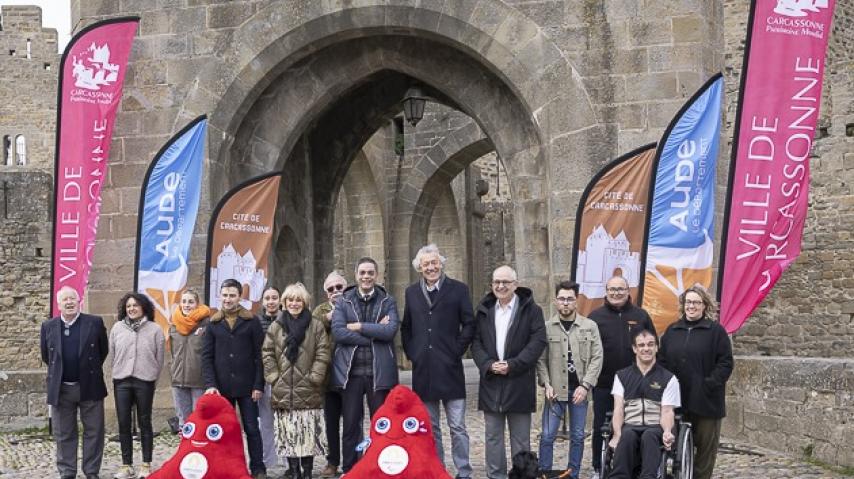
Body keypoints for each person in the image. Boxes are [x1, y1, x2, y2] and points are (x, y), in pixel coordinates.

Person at [402, 244, 476, 479]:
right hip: (424, 370)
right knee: (431, 427)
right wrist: (414, 352)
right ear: (419, 268)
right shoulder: (411, 292)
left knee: (457, 427)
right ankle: (438, 469)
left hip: (451, 367)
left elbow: (469, 324)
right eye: (426, 264)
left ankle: (463, 471)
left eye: (434, 263)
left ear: (441, 264)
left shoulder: (458, 290)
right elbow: (407, 327)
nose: (431, 267)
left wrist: (457, 350)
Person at [470, 265, 547, 479]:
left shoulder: (532, 310)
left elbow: (537, 342)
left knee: (521, 441)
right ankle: (495, 476)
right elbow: (476, 343)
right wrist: (487, 364)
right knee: (493, 437)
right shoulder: (485, 310)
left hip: (519, 382)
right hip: (491, 382)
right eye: (497, 282)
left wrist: (513, 365)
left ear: (515, 284)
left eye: (505, 282)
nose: (501, 286)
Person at [330, 257, 400, 473]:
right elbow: (339, 332)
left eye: (370, 272)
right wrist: (373, 333)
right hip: (350, 374)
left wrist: (359, 326)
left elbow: (390, 332)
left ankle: (380, 466)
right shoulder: (344, 300)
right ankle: (351, 467)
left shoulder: (387, 300)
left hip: (378, 373)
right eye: (362, 272)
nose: (366, 276)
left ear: (376, 275)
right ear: (356, 275)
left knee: (381, 424)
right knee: (351, 424)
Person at [659, 286, 734, 479]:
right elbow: (662, 360)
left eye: (696, 302)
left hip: (706, 401)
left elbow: (725, 363)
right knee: (674, 450)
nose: (691, 306)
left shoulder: (716, 331)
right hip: (678, 401)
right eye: (688, 302)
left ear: (704, 305)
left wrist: (709, 383)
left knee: (704, 453)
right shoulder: (672, 330)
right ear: (683, 305)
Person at [588, 275, 656, 479]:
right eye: (612, 289)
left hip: (634, 383)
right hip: (604, 383)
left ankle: (634, 466)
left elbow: (652, 345)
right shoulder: (595, 317)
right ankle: (599, 467)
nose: (616, 293)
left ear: (628, 291)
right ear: (606, 292)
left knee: (633, 426)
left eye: (620, 289)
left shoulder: (641, 316)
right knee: (602, 426)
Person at [262, 282, 331, 479]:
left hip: (309, 388)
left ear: (305, 302)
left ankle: (307, 472)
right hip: (284, 389)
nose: (294, 303)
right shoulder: (276, 326)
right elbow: (267, 353)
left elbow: (322, 352)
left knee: (307, 435)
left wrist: (315, 377)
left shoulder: (315, 325)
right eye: (290, 300)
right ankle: (294, 473)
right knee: (289, 434)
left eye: (298, 300)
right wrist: (274, 377)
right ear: (284, 302)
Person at [40, 286, 109, 479]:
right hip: (61, 389)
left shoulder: (94, 323)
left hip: (90, 386)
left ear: (79, 301)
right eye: (65, 299)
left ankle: (91, 471)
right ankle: (67, 471)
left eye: (73, 298)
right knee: (64, 433)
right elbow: (47, 356)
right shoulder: (48, 326)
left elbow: (102, 351)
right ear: (59, 304)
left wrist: (87, 370)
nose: (69, 302)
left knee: (94, 432)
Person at [536, 280, 603, 477]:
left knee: (577, 436)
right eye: (562, 299)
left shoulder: (590, 326)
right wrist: (546, 384)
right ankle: (545, 474)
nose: (565, 303)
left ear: (576, 301)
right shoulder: (547, 327)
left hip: (579, 391)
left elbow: (597, 357)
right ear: (556, 301)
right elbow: (540, 359)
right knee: (547, 435)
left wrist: (586, 385)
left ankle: (572, 474)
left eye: (569, 299)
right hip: (555, 391)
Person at [202, 278, 267, 479]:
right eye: (225, 295)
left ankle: (258, 467)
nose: (228, 299)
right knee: (224, 430)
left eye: (232, 295)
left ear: (239, 297)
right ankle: (226, 467)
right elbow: (207, 357)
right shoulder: (213, 323)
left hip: (247, 387)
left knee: (251, 428)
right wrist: (211, 384)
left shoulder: (251, 321)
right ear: (220, 296)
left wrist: (258, 384)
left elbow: (260, 355)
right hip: (222, 388)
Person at [608, 329, 680, 479]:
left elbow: (667, 411)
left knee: (649, 435)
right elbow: (618, 409)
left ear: (656, 348)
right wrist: (617, 434)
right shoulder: (621, 376)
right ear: (635, 349)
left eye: (650, 344)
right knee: (626, 435)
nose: (646, 348)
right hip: (630, 424)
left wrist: (667, 430)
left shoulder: (668, 378)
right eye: (641, 345)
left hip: (655, 426)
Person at [110, 292, 166, 479]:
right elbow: (113, 354)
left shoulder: (155, 329)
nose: (131, 309)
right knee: (124, 422)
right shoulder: (117, 328)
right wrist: (117, 372)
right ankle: (126, 465)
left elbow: (160, 359)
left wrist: (152, 378)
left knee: (145, 422)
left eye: (135, 305)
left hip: (145, 380)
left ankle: (146, 463)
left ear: (143, 308)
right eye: (128, 306)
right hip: (122, 380)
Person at [311, 271, 347, 477]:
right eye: (331, 289)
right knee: (331, 422)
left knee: (353, 422)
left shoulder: (354, 304)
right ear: (327, 294)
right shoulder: (320, 310)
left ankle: (354, 459)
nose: (336, 291)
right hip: (328, 377)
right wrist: (328, 318)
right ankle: (332, 461)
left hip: (351, 375)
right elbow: (312, 329)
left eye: (339, 287)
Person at [168, 289, 210, 430]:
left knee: (199, 420)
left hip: (199, 380)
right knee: (183, 423)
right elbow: (173, 352)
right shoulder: (174, 325)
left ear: (197, 304)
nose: (187, 305)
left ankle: (200, 450)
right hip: (178, 379)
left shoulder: (206, 325)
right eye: (184, 301)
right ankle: (185, 450)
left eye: (191, 302)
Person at [257, 286, 282, 474]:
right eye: (268, 298)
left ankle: (288, 460)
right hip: (264, 377)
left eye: (274, 297)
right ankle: (268, 459)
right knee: (265, 421)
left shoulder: (288, 320)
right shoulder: (256, 323)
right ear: (263, 301)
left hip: (285, 376)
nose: (271, 301)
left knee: (284, 420)